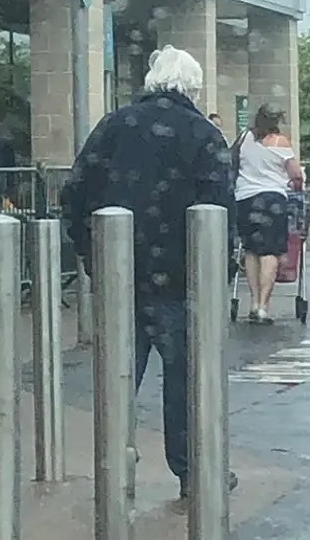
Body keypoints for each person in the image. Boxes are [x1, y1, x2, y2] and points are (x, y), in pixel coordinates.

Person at [61, 44, 238, 500]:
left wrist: (91, 253)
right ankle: (192, 471)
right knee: (186, 382)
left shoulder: (114, 126)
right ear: (192, 88)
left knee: (117, 378)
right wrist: (220, 270)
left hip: (120, 274)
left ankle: (114, 465)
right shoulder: (202, 134)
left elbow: (75, 192)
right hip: (181, 277)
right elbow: (219, 210)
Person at [232, 103, 304, 323]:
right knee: (269, 253)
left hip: (244, 199)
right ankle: (264, 306)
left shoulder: (244, 139)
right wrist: (296, 185)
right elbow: (296, 175)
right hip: (271, 200)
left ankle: (253, 302)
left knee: (252, 251)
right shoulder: (280, 142)